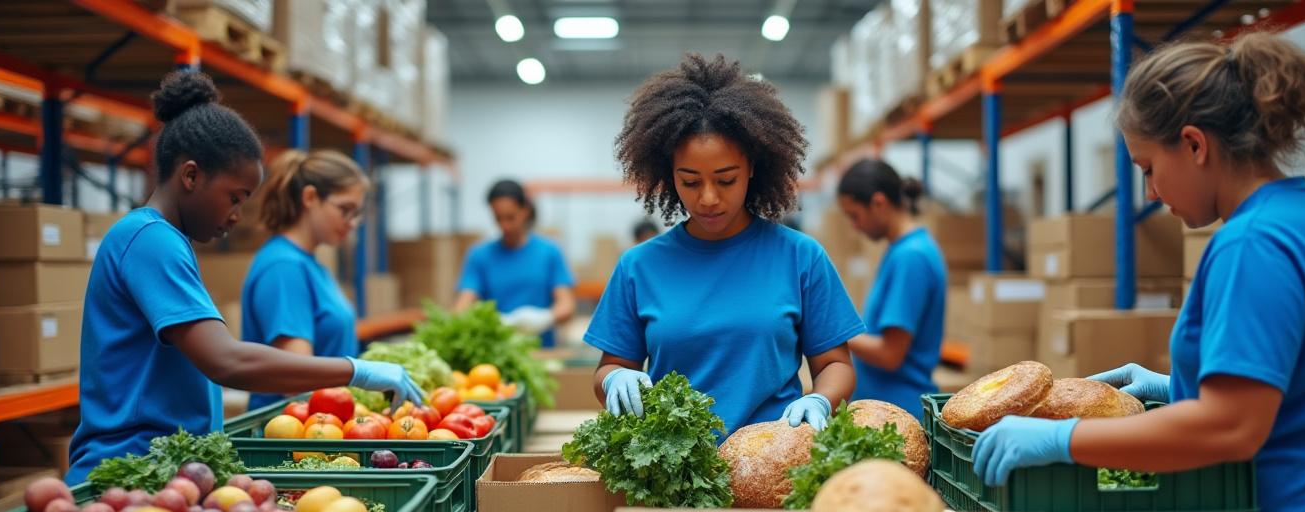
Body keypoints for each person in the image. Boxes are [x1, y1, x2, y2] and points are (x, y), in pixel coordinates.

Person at [971, 33, 1305, 512]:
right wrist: (1175, 387)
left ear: (1194, 145)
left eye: (1148, 168)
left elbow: (1230, 428)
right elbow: (1303, 383)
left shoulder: (1252, 245)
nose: (1150, 194)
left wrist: (1061, 438)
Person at [67, 71, 423, 484]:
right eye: (234, 198)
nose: (237, 216)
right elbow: (226, 361)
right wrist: (355, 370)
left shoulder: (163, 240)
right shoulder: (149, 241)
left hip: (164, 473)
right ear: (190, 176)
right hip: (127, 472)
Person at [585, 53, 864, 435]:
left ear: (752, 167)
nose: (708, 198)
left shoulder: (801, 258)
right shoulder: (638, 267)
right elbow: (609, 368)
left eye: (726, 179)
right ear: (668, 175)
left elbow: (835, 364)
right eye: (690, 181)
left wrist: (820, 399)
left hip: (773, 456)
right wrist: (615, 379)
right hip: (675, 463)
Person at [240, 150, 368, 411]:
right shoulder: (284, 268)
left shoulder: (310, 265)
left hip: (323, 422)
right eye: (345, 209)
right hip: (291, 429)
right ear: (310, 197)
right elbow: (295, 381)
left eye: (356, 213)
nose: (352, 223)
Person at [836, 159, 946, 420]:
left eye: (855, 216)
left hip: (899, 417)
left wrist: (831, 332)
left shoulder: (911, 257)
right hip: (887, 413)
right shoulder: (902, 250)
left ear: (878, 203)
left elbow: (890, 354)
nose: (854, 226)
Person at [453, 179, 575, 346]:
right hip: (497, 351)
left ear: (525, 211)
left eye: (510, 217)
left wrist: (544, 318)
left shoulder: (549, 252)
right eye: (498, 218)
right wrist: (488, 322)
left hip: (542, 350)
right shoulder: (479, 256)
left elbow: (567, 305)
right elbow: (462, 308)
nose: (505, 226)